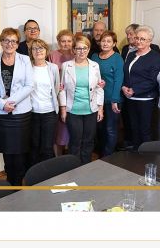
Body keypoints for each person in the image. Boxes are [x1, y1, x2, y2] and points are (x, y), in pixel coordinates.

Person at [0, 28, 34, 186]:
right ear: (1, 42)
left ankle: (18, 185)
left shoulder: (25, 60)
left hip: (21, 113)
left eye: (13, 41)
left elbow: (29, 85)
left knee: (20, 152)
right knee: (7, 152)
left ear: (17, 44)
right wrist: (2, 104)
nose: (10, 44)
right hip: (1, 113)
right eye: (6, 40)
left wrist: (11, 102)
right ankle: (9, 182)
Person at [59, 35, 104, 164]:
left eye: (85, 48)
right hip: (73, 110)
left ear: (89, 49)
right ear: (73, 50)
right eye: (78, 48)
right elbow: (62, 89)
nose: (82, 51)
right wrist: (63, 109)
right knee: (75, 141)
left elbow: (99, 88)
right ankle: (74, 168)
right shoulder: (66, 66)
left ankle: (86, 167)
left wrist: (100, 108)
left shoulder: (95, 65)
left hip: (91, 110)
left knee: (88, 141)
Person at [122, 25, 160, 150]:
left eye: (142, 39)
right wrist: (124, 87)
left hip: (145, 99)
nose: (138, 41)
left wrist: (135, 90)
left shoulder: (154, 57)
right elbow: (125, 74)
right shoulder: (131, 54)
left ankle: (146, 155)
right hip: (130, 98)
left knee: (145, 130)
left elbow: (153, 80)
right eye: (137, 38)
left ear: (150, 41)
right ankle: (136, 154)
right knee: (134, 128)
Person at [91, 31, 124, 156]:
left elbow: (118, 80)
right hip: (96, 99)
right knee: (99, 127)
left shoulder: (117, 58)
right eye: (103, 41)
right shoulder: (94, 56)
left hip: (112, 99)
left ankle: (108, 156)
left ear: (114, 44)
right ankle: (101, 153)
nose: (105, 43)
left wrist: (115, 100)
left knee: (110, 128)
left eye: (109, 41)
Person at [29, 38, 60, 165]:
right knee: (34, 146)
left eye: (41, 48)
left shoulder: (53, 68)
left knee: (47, 146)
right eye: (35, 48)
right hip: (32, 113)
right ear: (31, 52)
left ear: (46, 51)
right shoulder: (27, 67)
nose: (38, 51)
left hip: (50, 112)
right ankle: (33, 174)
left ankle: (47, 174)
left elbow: (56, 88)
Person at [48, 29, 74, 155]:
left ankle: (70, 156)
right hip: (57, 96)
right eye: (63, 41)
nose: (66, 44)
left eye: (69, 41)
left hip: (72, 96)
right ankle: (58, 158)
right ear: (58, 42)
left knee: (71, 128)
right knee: (59, 130)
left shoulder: (76, 54)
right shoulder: (52, 55)